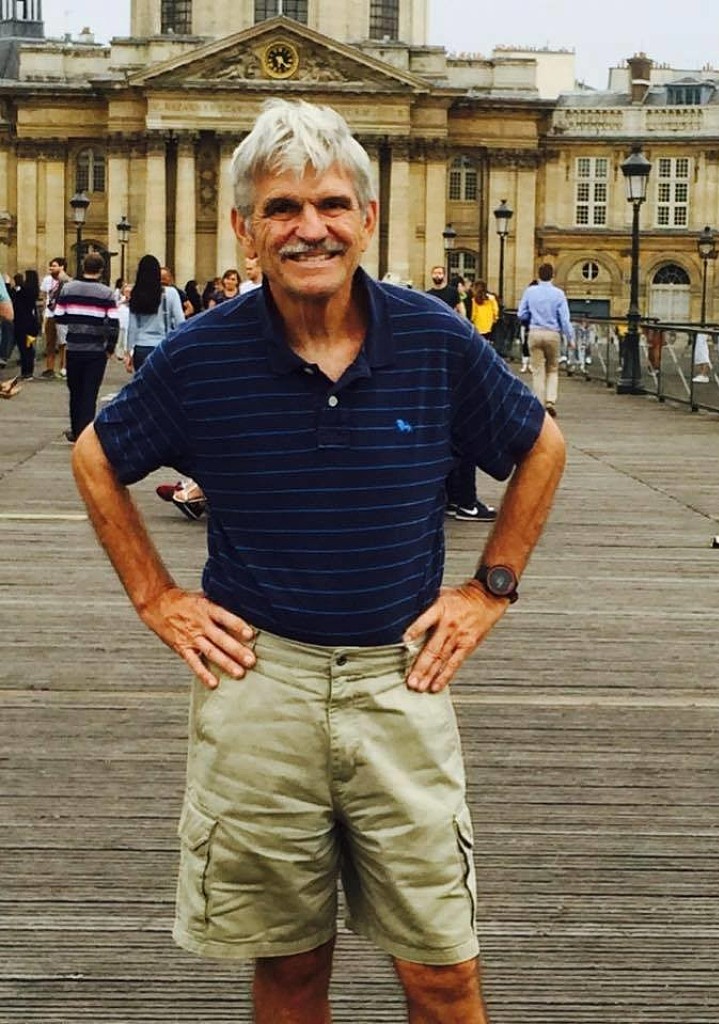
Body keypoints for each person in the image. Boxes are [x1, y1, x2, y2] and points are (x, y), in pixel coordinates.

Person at [70, 98, 565, 1023]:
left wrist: (489, 588)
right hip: (261, 683)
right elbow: (96, 456)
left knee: (443, 972)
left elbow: (542, 445)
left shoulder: (434, 338)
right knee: (289, 971)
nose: (311, 228)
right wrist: (155, 596)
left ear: (367, 219)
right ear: (245, 229)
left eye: (332, 204)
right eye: (283, 208)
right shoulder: (201, 355)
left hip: (399, 682)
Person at [422, 268, 496, 522]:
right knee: (464, 438)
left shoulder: (426, 307)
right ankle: (465, 502)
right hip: (453, 380)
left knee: (448, 438)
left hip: (434, 393)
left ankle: (452, 499)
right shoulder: (455, 324)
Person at [52, 252, 118, 442]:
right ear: (101, 270)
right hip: (96, 350)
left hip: (74, 347)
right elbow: (113, 323)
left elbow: (59, 316)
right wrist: (110, 347)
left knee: (75, 391)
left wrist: (76, 319)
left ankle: (75, 429)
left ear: (83, 267)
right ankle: (84, 432)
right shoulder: (106, 293)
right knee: (90, 392)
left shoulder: (68, 289)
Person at [517, 263, 573, 417]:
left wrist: (530, 317)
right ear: (553, 275)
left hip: (535, 332)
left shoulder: (530, 292)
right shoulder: (559, 294)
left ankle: (539, 403)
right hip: (552, 333)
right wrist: (570, 338)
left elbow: (521, 314)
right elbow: (565, 319)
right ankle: (550, 401)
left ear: (538, 275)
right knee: (552, 369)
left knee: (538, 370)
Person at [127, 254, 186, 373]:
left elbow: (132, 327)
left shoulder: (136, 294)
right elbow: (180, 322)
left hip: (141, 347)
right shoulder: (171, 293)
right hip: (163, 346)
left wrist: (128, 352)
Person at [40, 256, 69, 379]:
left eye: (54, 266)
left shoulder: (67, 281)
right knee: (50, 342)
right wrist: (44, 313)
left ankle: (63, 367)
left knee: (63, 342)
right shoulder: (47, 280)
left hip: (62, 315)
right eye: (51, 266)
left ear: (62, 267)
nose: (51, 268)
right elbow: (44, 296)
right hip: (50, 313)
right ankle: (50, 368)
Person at [12, 268, 40, 382]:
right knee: (28, 347)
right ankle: (28, 371)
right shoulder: (33, 291)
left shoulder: (23, 291)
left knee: (24, 348)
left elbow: (14, 299)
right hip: (31, 323)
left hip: (22, 323)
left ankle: (26, 371)